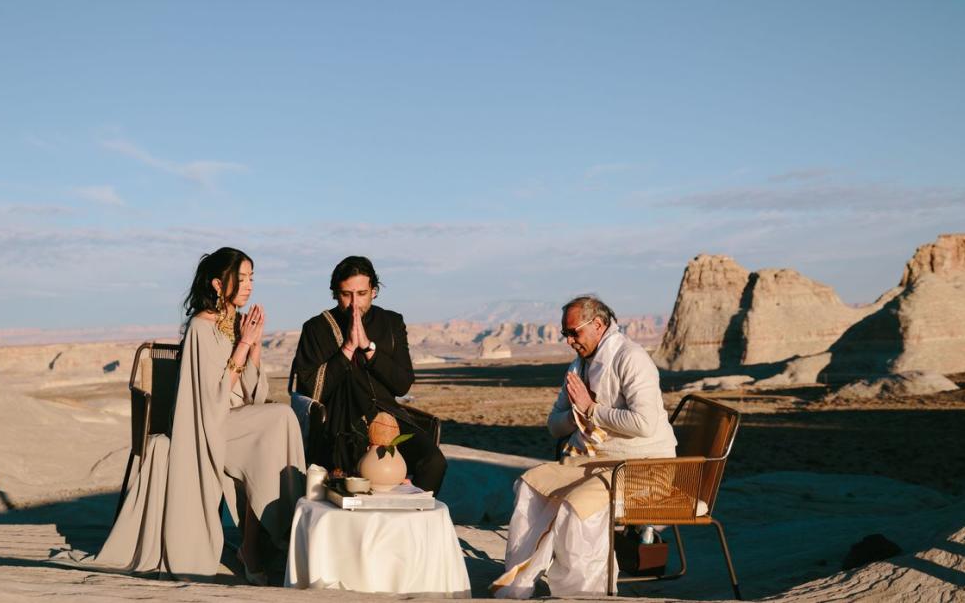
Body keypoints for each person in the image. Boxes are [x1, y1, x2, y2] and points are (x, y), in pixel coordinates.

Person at [74, 247, 305, 583]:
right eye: (240, 278)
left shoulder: (236, 324)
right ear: (216, 283)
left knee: (275, 429)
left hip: (236, 421)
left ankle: (257, 544)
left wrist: (254, 348)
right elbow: (212, 397)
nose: (248, 285)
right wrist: (243, 345)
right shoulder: (201, 326)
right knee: (279, 421)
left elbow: (257, 394)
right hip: (206, 425)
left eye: (251, 278)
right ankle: (261, 544)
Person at [491, 295, 677, 598]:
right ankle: (518, 584)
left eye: (573, 332)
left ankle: (582, 594)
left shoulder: (631, 358)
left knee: (575, 504)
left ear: (598, 324)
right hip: (595, 461)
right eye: (565, 334)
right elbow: (555, 426)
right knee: (530, 485)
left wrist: (591, 409)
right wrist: (577, 413)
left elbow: (645, 424)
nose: (569, 341)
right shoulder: (578, 366)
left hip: (643, 467)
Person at [290, 255, 447, 492]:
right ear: (335, 293)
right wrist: (347, 349)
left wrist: (369, 349)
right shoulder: (316, 328)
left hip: (388, 421)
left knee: (434, 462)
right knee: (359, 475)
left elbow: (402, 384)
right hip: (340, 425)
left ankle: (406, 523)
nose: (354, 303)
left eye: (361, 294)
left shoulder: (392, 323)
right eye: (346, 294)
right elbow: (311, 390)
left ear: (374, 291)